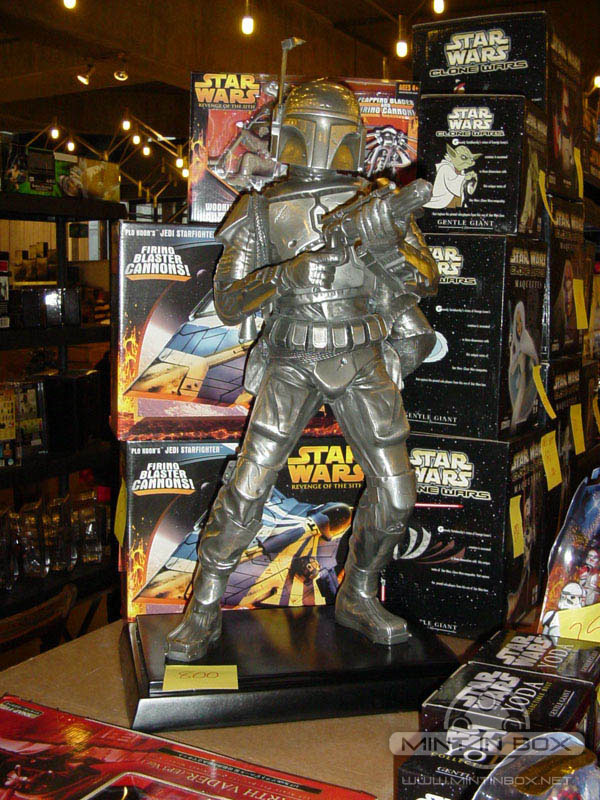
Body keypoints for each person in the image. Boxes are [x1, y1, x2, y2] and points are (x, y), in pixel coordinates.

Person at [166, 79, 439, 661]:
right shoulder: (260, 210)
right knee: (248, 486)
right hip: (291, 355)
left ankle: (358, 592)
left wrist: (381, 243)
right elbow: (229, 302)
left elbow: (424, 279)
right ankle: (205, 603)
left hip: (362, 352)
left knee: (397, 495)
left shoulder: (375, 201)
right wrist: (287, 275)